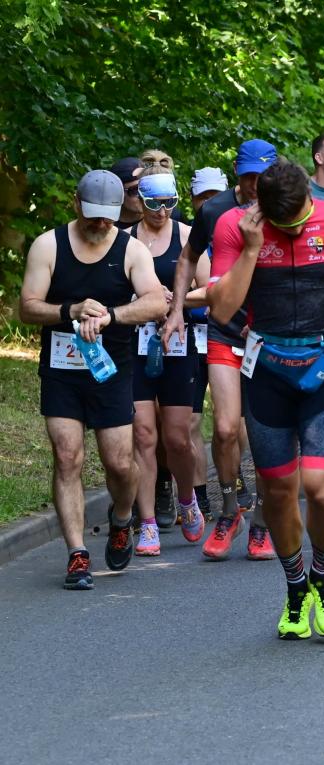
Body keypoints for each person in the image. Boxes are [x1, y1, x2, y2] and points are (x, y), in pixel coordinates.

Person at [208, 160, 324, 639]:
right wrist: (253, 248)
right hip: (267, 371)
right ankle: (295, 587)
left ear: (311, 199)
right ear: (260, 208)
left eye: (299, 221)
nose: (293, 231)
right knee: (276, 490)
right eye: (283, 224)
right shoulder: (235, 227)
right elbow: (223, 309)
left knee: (321, 487)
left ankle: (322, 576)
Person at [18, 169, 167, 588]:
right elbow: (27, 307)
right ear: (76, 205)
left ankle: (122, 517)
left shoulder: (131, 250)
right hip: (62, 370)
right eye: (93, 215)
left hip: (111, 370)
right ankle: (77, 554)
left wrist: (110, 317)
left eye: (108, 216)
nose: (101, 223)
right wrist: (70, 310)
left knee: (119, 463)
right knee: (68, 457)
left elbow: (156, 302)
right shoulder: (49, 245)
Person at [164, 139, 277, 561]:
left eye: (262, 177)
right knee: (226, 429)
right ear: (237, 174)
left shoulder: (286, 208)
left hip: (271, 336)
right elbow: (187, 259)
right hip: (226, 330)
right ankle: (230, 511)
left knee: (264, 432)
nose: (255, 185)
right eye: (248, 176)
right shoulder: (215, 211)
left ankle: (263, 520)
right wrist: (177, 309)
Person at [129, 169, 207, 554]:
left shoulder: (188, 236)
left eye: (169, 203)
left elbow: (210, 290)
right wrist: (140, 304)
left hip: (177, 343)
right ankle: (147, 524)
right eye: (153, 204)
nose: (162, 211)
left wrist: (175, 301)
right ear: (139, 202)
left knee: (177, 438)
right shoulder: (125, 240)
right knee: (143, 435)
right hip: (134, 346)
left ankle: (187, 498)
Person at [109, 157, 144, 229]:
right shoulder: (104, 225)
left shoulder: (161, 218)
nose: (143, 195)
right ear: (117, 192)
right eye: (135, 190)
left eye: (147, 188)